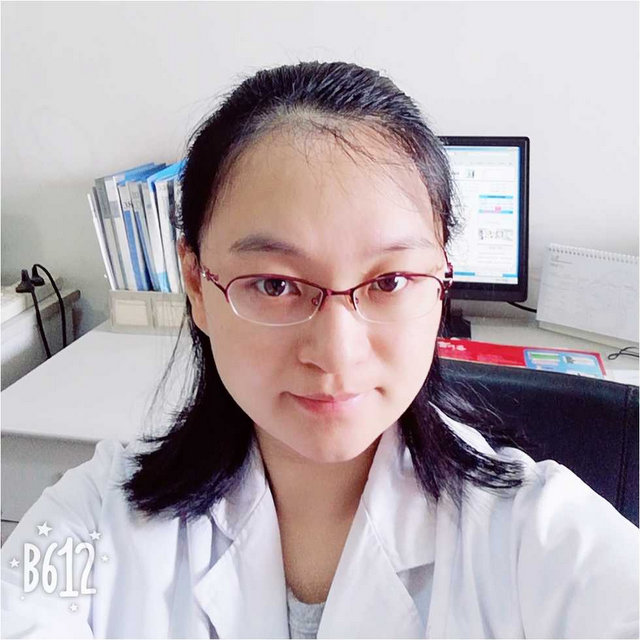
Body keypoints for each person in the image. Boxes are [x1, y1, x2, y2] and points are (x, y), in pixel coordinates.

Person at [2, 61, 638, 639]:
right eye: (275, 285)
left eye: (390, 281)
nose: (336, 353)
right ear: (197, 285)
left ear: (442, 277)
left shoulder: (545, 539)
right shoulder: (87, 520)